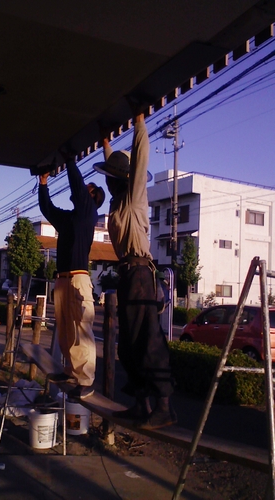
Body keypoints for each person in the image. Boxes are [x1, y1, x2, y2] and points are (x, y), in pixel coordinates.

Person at [93, 104, 175, 430]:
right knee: (128, 344)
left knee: (149, 340)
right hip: (128, 274)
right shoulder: (115, 204)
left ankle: (165, 407)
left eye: (115, 179)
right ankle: (141, 405)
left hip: (142, 273)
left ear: (123, 181)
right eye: (110, 178)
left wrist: (140, 124)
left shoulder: (134, 198)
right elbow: (120, 165)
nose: (111, 184)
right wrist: (105, 144)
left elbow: (138, 164)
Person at [38, 157, 105, 400]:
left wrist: (69, 159)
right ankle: (71, 371)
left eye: (87, 188)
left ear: (92, 196)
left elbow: (77, 184)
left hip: (78, 278)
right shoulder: (70, 218)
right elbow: (48, 209)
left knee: (81, 328)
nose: (82, 187)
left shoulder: (90, 213)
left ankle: (86, 380)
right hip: (63, 279)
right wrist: (43, 183)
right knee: (65, 328)